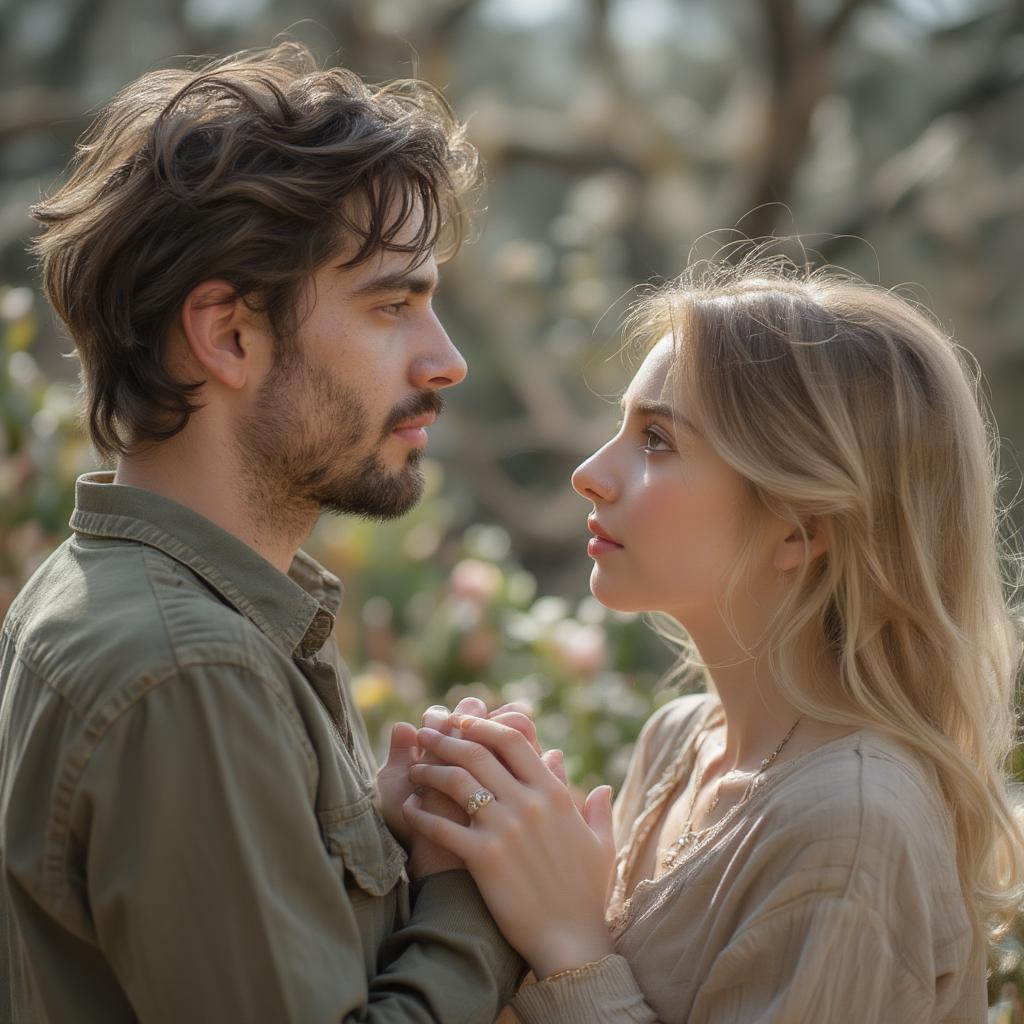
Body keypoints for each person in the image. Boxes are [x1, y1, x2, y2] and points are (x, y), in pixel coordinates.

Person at [0, 43, 526, 1023]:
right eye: (393, 302)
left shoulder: (111, 602)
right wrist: (478, 901)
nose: (445, 359)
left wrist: (401, 845)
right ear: (229, 334)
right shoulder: (191, 673)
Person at [400, 255, 1024, 1022]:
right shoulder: (680, 739)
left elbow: (579, 965)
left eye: (656, 440)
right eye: (621, 428)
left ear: (800, 528)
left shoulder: (853, 826)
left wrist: (570, 949)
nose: (591, 473)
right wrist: (461, 869)